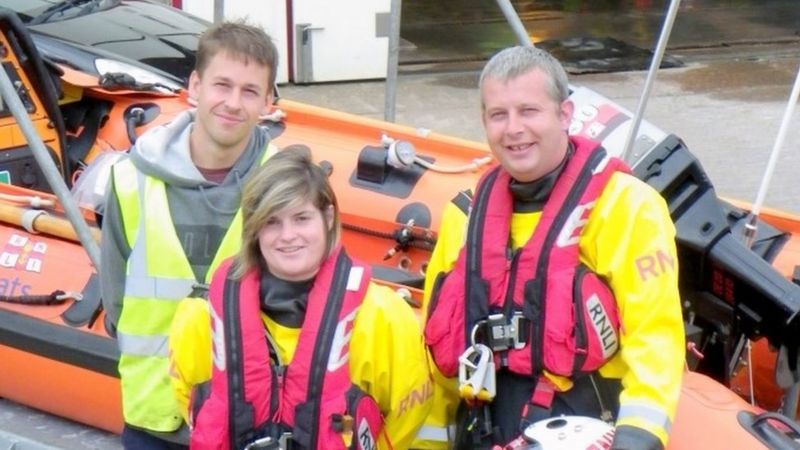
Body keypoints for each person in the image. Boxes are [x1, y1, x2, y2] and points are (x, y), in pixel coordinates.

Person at [422, 46, 685, 450]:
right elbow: (437, 349)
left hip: (584, 426)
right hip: (484, 426)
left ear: (564, 114)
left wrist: (639, 436)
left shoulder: (627, 207)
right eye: (498, 115)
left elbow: (655, 337)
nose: (513, 129)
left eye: (529, 111)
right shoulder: (465, 215)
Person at [168, 148, 433, 450]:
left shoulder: (383, 316)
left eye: (301, 218)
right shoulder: (201, 319)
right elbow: (190, 397)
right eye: (271, 222)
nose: (288, 235)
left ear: (328, 217)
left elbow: (408, 411)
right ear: (254, 229)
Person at [100, 20, 279, 449]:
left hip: (252, 422)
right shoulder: (129, 180)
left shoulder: (285, 188)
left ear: (269, 102)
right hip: (154, 421)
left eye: (250, 91)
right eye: (222, 85)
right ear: (195, 86)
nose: (233, 103)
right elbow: (116, 305)